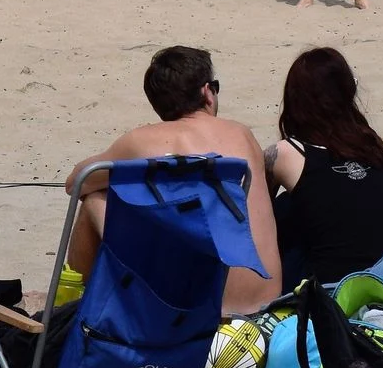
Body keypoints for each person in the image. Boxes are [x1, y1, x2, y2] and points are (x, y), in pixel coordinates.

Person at [62, 46, 281, 316]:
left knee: (96, 198)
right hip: (264, 311)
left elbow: (76, 183)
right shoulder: (242, 135)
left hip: (196, 319)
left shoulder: (144, 141)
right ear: (206, 93)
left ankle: (75, 304)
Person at [267, 48, 383, 285]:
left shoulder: (285, 152)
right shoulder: (374, 145)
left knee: (283, 209)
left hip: (331, 284)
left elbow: (249, 218)